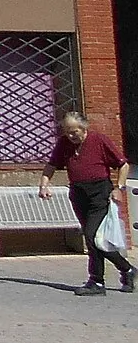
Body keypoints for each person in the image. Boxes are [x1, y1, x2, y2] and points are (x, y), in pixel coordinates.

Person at [38, 109, 133, 295]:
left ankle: (97, 281)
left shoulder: (99, 140)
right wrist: (43, 185)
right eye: (67, 132)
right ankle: (127, 270)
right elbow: (51, 165)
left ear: (84, 128)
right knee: (96, 240)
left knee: (92, 237)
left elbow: (123, 164)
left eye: (75, 131)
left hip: (100, 193)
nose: (71, 135)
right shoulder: (64, 144)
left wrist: (118, 188)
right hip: (79, 194)